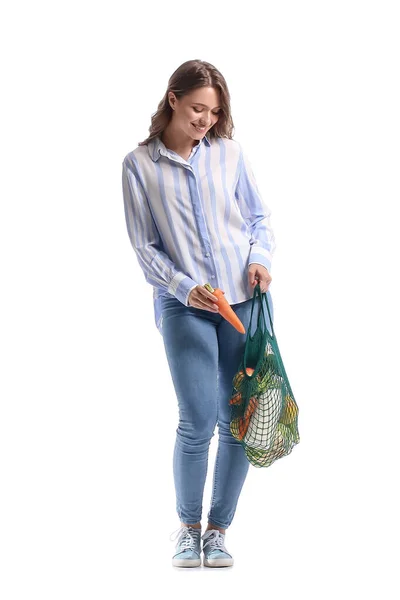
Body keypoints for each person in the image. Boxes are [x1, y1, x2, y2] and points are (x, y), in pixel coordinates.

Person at [121, 59, 276, 568]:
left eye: (213, 111)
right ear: (173, 99)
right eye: (196, 109)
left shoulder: (229, 153)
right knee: (198, 418)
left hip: (243, 300)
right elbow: (144, 246)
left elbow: (258, 217)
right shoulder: (139, 165)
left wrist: (259, 259)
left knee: (238, 420)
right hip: (183, 304)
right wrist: (185, 289)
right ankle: (187, 530)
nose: (205, 120)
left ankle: (218, 530)